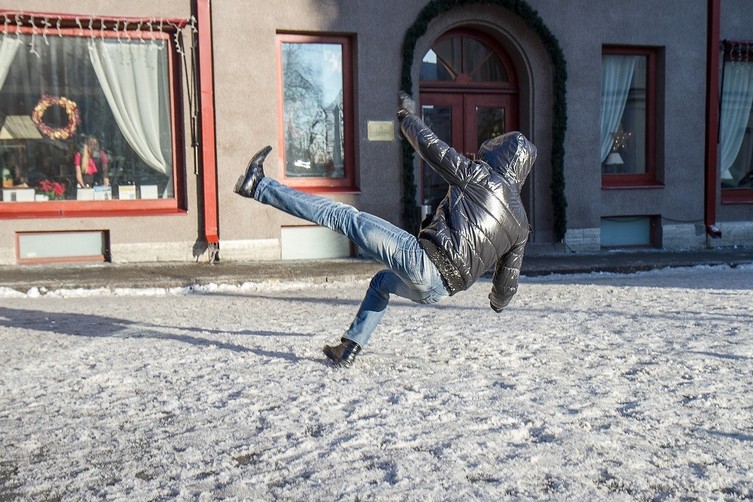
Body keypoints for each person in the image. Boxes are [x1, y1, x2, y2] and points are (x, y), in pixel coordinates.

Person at [234, 92, 537, 368]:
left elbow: (432, 148)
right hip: (439, 291)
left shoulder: (479, 176)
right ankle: (348, 347)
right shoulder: (520, 224)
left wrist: (406, 116)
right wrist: (496, 301)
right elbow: (504, 289)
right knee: (381, 282)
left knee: (343, 216)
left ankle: (259, 186)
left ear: (498, 153)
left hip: (423, 261)